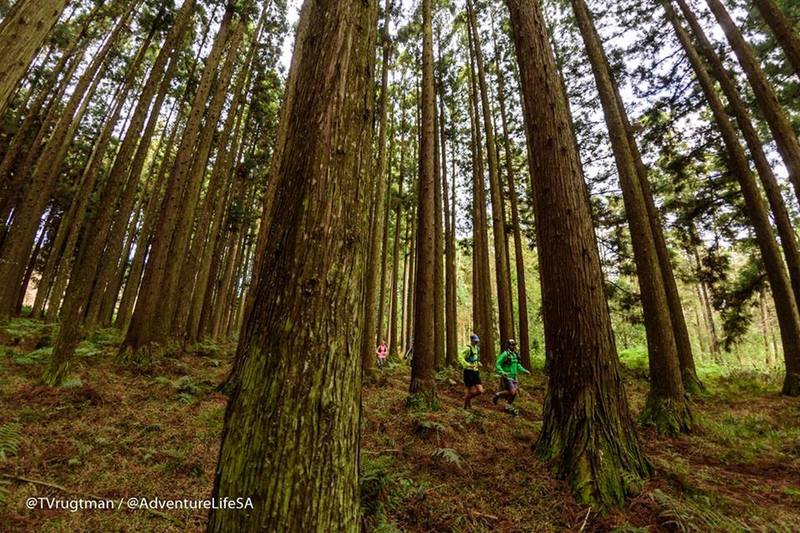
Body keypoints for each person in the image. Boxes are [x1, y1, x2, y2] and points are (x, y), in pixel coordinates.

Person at [493, 339, 530, 412]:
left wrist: (525, 371)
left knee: (514, 393)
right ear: (508, 345)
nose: (513, 346)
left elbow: (518, 365)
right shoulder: (505, 354)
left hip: (514, 377)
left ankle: (507, 405)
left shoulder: (515, 354)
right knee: (513, 392)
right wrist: (502, 372)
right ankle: (499, 394)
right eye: (512, 345)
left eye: (514, 345)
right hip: (507, 376)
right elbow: (498, 364)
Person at [458, 334, 484, 409]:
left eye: (477, 341)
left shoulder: (477, 349)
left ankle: (466, 399)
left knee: (480, 391)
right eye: (475, 341)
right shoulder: (467, 349)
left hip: (475, 371)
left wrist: (478, 362)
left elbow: (476, 358)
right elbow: (460, 357)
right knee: (468, 389)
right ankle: (466, 406)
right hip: (468, 371)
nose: (476, 343)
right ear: (472, 340)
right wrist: (467, 364)